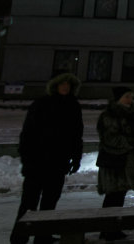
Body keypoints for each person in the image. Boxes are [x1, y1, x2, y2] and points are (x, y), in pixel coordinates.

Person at [9, 73, 83, 244]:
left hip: (58, 162)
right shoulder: (42, 104)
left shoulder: (73, 105)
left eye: (68, 84)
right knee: (29, 203)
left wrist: (76, 157)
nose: (65, 87)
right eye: (62, 84)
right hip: (38, 162)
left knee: (50, 201)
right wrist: (27, 159)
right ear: (55, 86)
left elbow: (76, 134)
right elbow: (28, 133)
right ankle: (20, 237)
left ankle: (43, 235)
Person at [96, 86, 134, 241]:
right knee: (112, 196)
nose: (129, 99)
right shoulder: (110, 115)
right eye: (127, 96)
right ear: (118, 98)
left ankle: (113, 228)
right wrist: (132, 142)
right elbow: (110, 138)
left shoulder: (132, 114)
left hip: (127, 161)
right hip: (114, 162)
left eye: (131, 97)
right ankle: (107, 228)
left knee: (119, 196)